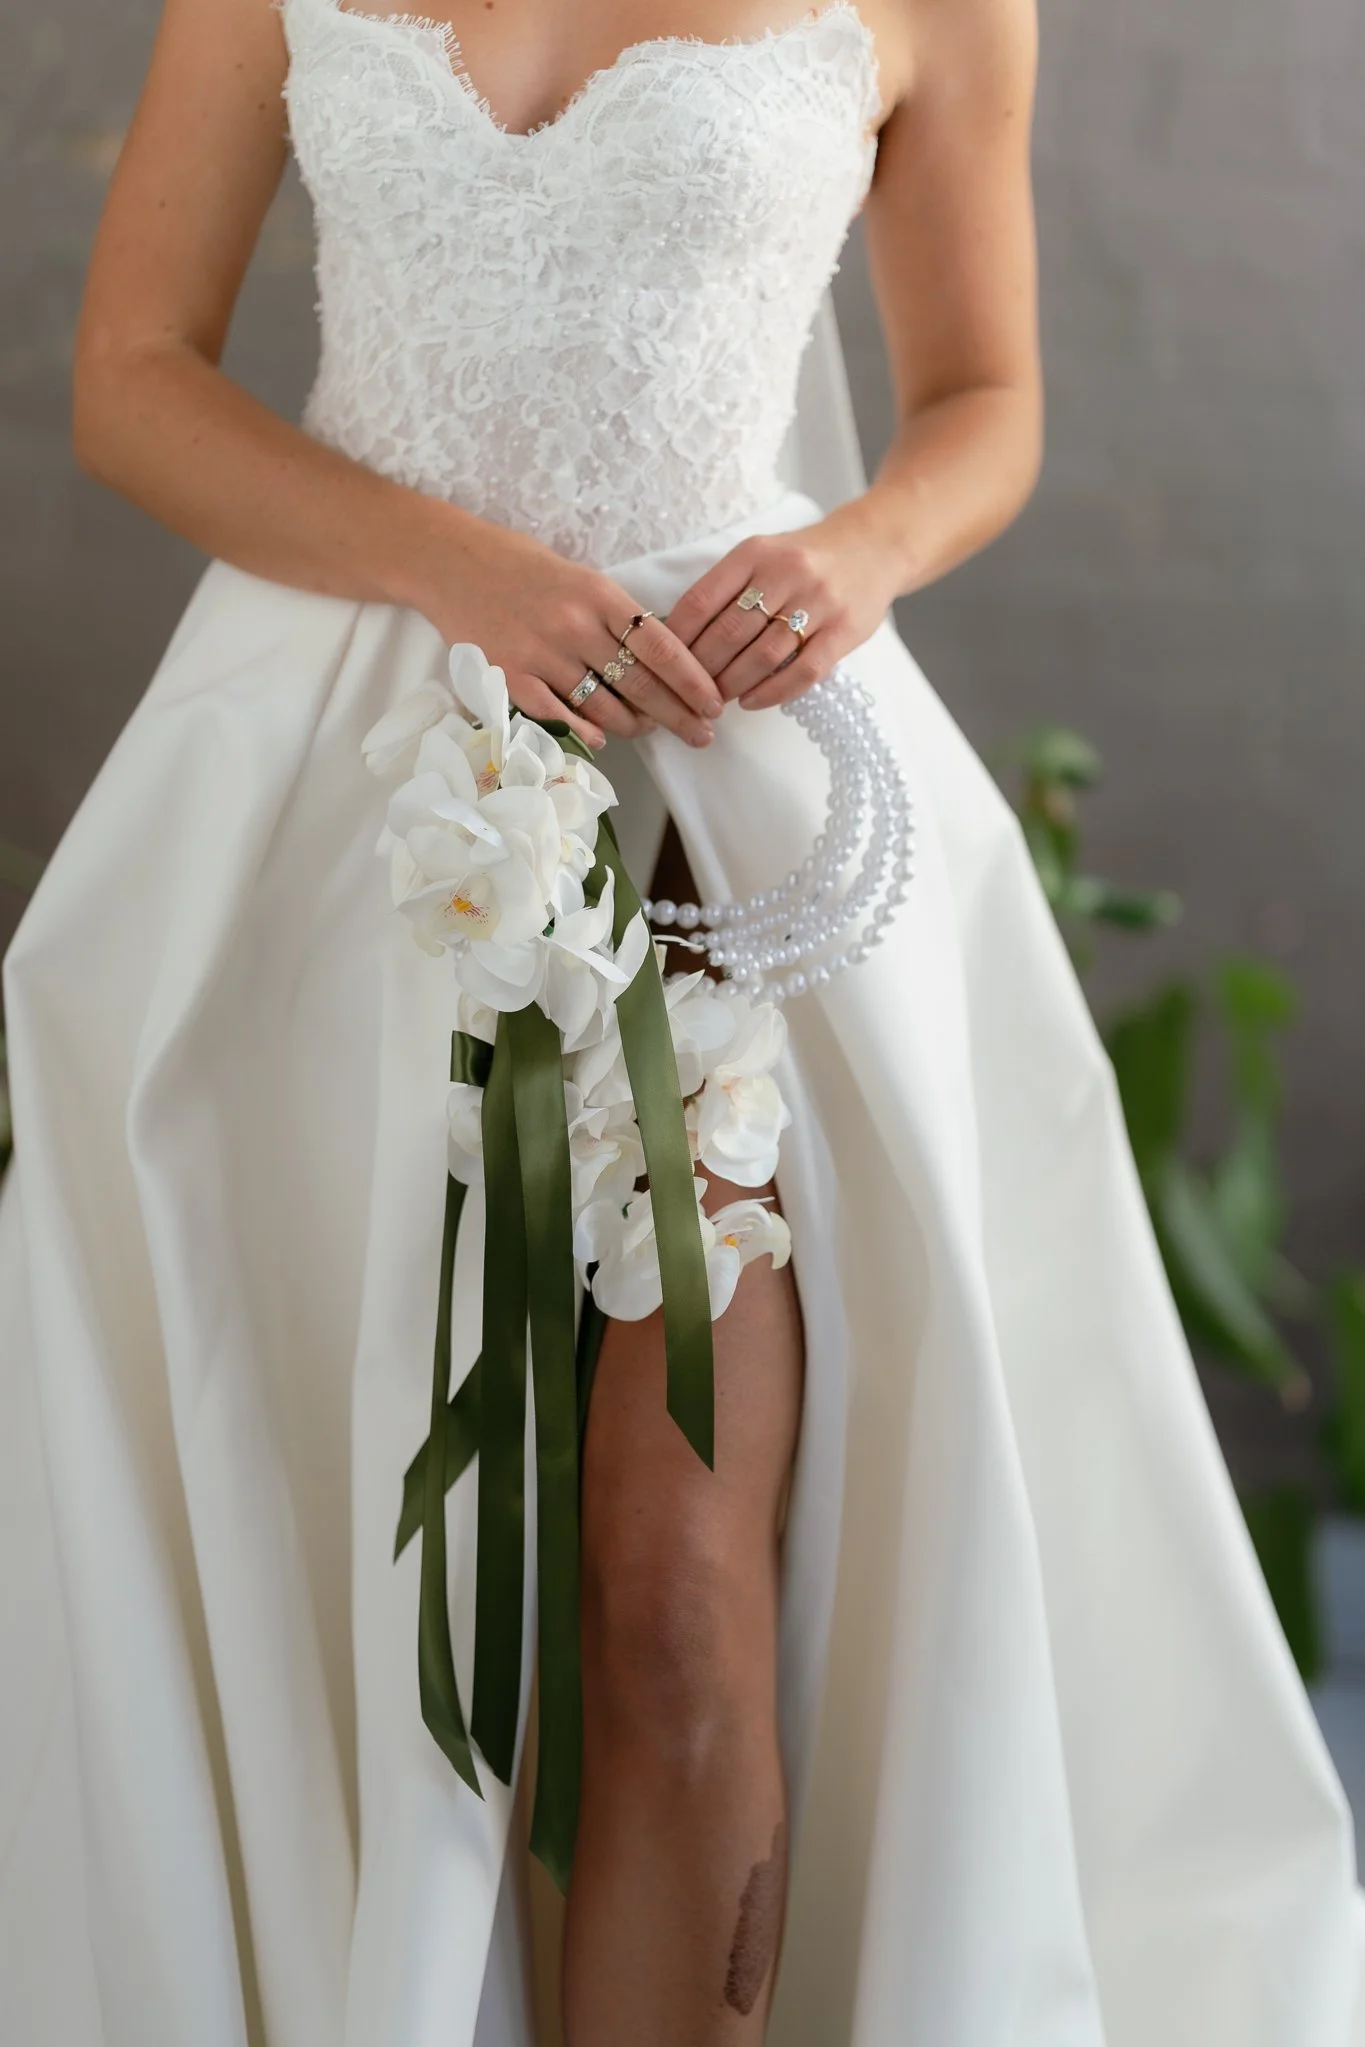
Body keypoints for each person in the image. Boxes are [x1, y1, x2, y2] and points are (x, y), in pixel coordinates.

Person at [1, 1, 1360, 2043]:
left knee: (679, 1599)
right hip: (336, 808)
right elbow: (130, 382)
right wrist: (468, 576)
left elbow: (983, 397)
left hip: (744, 810)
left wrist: (859, 550)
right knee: (352, 1551)